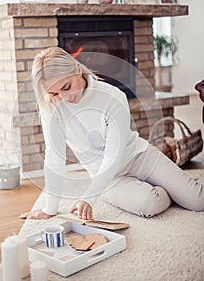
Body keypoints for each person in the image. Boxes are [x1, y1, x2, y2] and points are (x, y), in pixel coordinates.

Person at [20, 47, 204, 220]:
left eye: (66, 87)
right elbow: (54, 156)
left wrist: (89, 197)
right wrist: (49, 209)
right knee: (150, 203)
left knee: (198, 201)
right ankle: (166, 190)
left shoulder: (112, 96)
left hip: (140, 157)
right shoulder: (51, 107)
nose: (64, 98)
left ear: (77, 69)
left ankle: (171, 188)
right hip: (109, 178)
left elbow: (113, 155)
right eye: (54, 93)